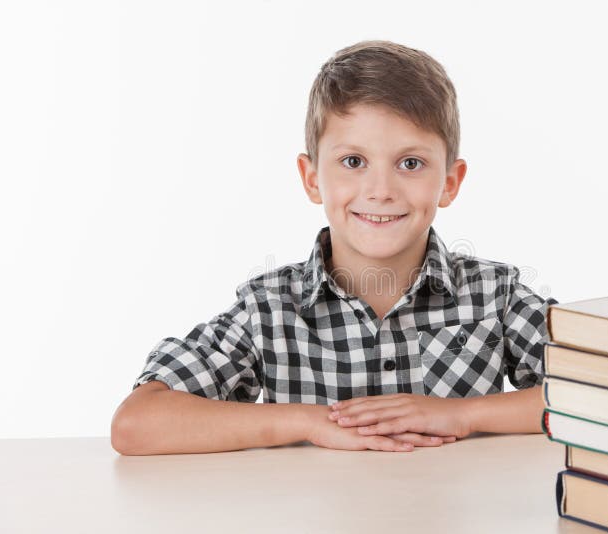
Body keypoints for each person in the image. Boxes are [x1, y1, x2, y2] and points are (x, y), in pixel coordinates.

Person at [111, 39, 557, 456]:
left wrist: (462, 415)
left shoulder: (494, 296)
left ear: (450, 182)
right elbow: (137, 423)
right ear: (311, 178)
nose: (380, 190)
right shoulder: (270, 309)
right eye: (353, 162)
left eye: (410, 163)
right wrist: (306, 423)